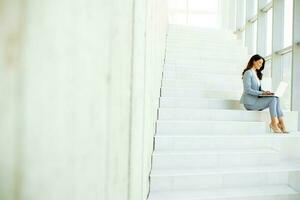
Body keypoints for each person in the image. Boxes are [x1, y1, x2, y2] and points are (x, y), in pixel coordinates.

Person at [240, 54, 289, 133]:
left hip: (256, 101)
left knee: (276, 97)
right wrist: (262, 94)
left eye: (262, 63)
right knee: (273, 99)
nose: (261, 65)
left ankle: (281, 123)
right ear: (254, 61)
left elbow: (257, 89)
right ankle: (274, 123)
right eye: (259, 62)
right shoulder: (248, 73)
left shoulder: (255, 73)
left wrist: (265, 92)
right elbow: (247, 90)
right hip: (250, 103)